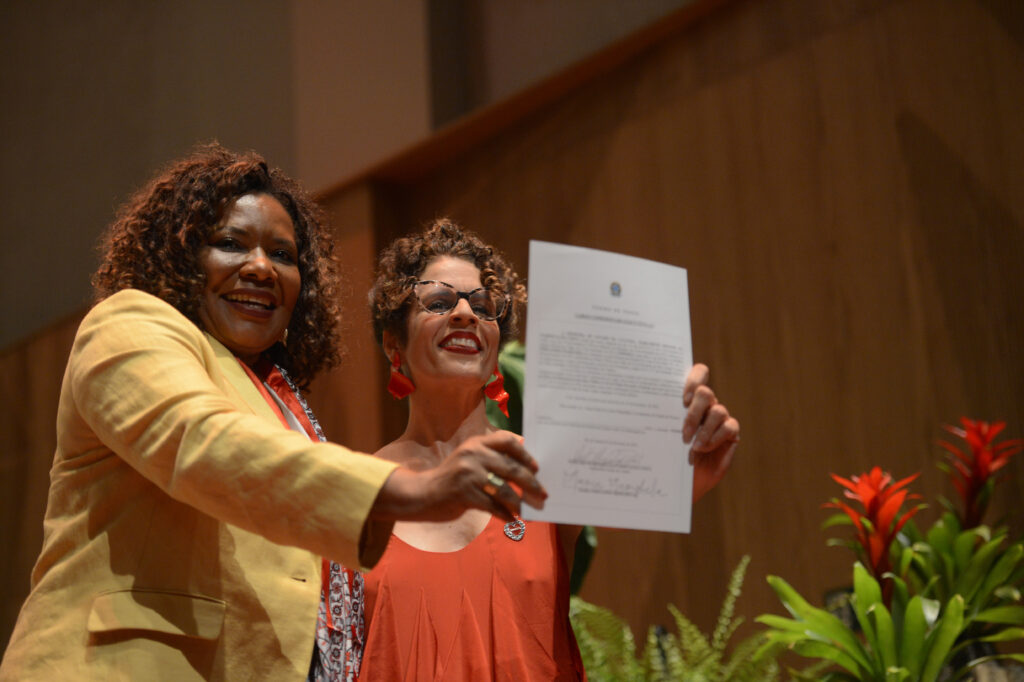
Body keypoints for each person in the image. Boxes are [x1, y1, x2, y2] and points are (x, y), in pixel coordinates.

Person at [0, 146, 545, 682]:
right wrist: (413, 491)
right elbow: (202, 440)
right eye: (231, 244)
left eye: (283, 255)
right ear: (179, 257)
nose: (261, 267)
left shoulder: (277, 396)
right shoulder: (128, 325)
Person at [359, 219, 740, 680]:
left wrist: (688, 464)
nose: (465, 314)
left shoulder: (547, 466)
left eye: (483, 306)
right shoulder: (357, 488)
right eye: (438, 302)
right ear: (393, 343)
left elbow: (648, 489)